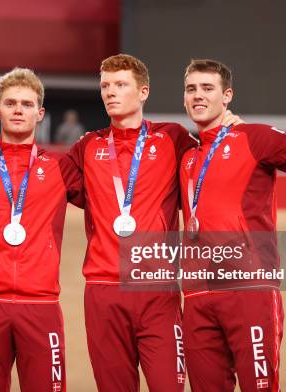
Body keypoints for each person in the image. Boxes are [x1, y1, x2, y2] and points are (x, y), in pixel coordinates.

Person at [66, 53, 244, 391]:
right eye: (105, 85)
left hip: (156, 290)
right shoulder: (88, 146)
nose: (110, 93)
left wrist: (230, 133)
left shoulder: (172, 139)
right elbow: (44, 188)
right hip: (103, 292)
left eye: (120, 85)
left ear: (143, 92)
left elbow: (213, 165)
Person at [178, 59, 286, 391]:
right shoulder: (187, 157)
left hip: (248, 290)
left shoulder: (255, 138)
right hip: (196, 297)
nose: (197, 96)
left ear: (227, 96)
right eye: (191, 89)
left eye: (207, 88)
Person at [0, 67, 83, 392]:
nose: (18, 110)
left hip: (40, 305)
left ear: (39, 113)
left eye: (26, 105)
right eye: (10, 103)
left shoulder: (60, 167)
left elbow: (106, 201)